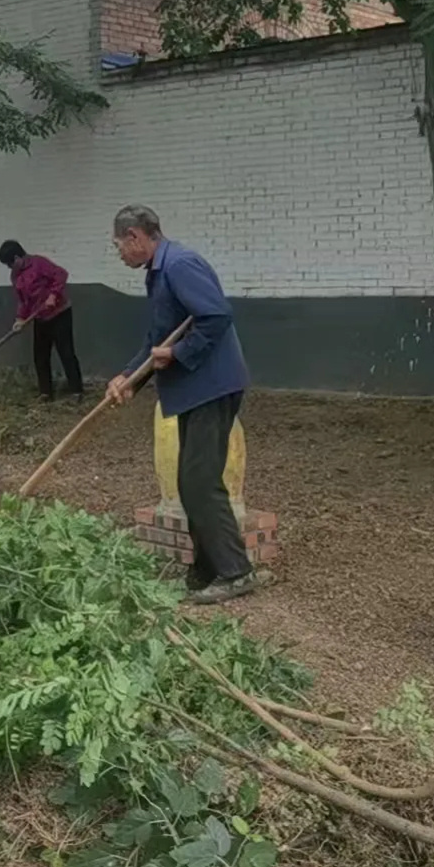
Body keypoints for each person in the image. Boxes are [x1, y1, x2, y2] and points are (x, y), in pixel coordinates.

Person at [105, 204, 256, 605]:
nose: (119, 253)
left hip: (212, 386)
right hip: (197, 389)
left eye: (118, 245)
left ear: (136, 236)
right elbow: (159, 339)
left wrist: (179, 354)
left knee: (200, 481)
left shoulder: (180, 265)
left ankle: (236, 571)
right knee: (191, 482)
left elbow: (216, 317)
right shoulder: (159, 271)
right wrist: (129, 378)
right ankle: (204, 570)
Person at [0, 240, 83, 401]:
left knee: (66, 352)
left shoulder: (39, 263)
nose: (9, 268)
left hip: (60, 313)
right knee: (40, 356)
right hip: (40, 317)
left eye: (10, 264)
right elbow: (22, 301)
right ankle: (45, 392)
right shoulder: (15, 276)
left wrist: (53, 295)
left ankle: (76, 391)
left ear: (17, 258)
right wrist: (20, 318)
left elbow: (61, 274)